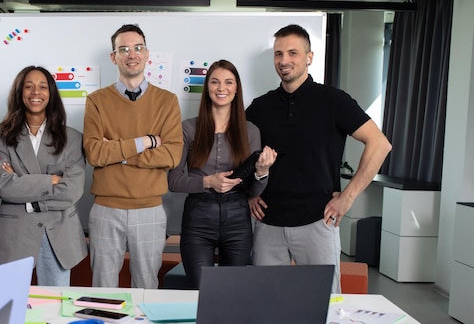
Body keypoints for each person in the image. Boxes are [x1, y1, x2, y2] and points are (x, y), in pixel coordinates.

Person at [246, 24, 392, 293]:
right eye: (278, 54)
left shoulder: (333, 100)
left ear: (309, 57)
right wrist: (250, 192)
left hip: (318, 221)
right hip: (268, 224)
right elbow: (242, 155)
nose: (284, 60)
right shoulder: (259, 107)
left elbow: (379, 144)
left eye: (293, 53)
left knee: (325, 308)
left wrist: (347, 197)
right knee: (266, 305)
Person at [83, 24, 183, 289]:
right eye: (123, 49)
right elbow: (94, 153)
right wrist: (146, 142)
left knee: (146, 287)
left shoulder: (167, 101)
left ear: (147, 54)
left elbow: (172, 154)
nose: (132, 54)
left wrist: (119, 153)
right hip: (106, 208)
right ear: (113, 57)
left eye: (137, 48)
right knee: (102, 287)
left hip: (149, 209)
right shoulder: (96, 101)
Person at [168, 60, 277, 288]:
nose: (221, 88)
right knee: (201, 291)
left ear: (236, 89)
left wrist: (262, 172)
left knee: (233, 293)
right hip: (198, 218)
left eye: (228, 82)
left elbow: (253, 191)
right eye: (215, 82)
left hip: (238, 219)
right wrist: (208, 181)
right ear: (207, 88)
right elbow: (174, 180)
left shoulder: (250, 131)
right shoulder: (187, 128)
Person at [0, 66, 87, 286]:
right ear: (19, 92)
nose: (36, 92)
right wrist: (50, 180)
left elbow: (72, 191)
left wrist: (24, 187)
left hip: (59, 234)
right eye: (29, 86)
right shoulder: (1, 137)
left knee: (54, 306)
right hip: (15, 233)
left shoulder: (72, 138)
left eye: (43, 87)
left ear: (51, 93)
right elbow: (4, 186)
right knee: (11, 306)